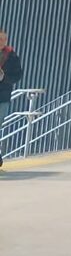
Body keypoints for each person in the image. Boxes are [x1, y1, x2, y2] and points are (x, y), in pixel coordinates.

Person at [0, 29, 24, 168]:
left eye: (3, 39)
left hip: (3, 96)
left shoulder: (12, 56)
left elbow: (18, 75)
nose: (1, 41)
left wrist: (4, 78)